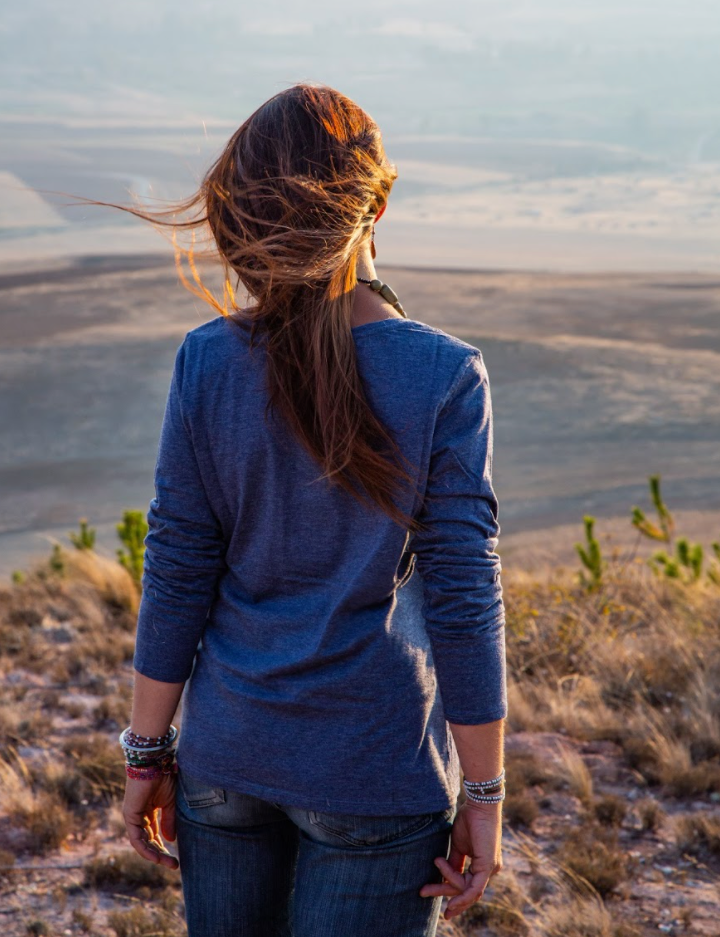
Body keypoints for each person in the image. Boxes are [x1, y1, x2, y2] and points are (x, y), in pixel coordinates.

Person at [120, 83, 507, 937]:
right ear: (380, 201)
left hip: (225, 763)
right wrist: (484, 794)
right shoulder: (443, 375)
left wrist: (146, 756)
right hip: (376, 770)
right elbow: (463, 598)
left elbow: (178, 566)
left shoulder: (207, 361)